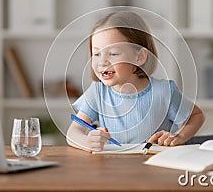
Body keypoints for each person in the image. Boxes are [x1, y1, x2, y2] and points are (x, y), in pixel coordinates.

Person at [66, 11, 204, 152]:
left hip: (155, 168)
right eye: (96, 54)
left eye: (113, 53)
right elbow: (73, 133)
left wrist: (179, 136)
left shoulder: (164, 91)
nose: (102, 62)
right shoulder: (97, 92)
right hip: (111, 170)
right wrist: (87, 141)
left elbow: (196, 115)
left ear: (139, 57)